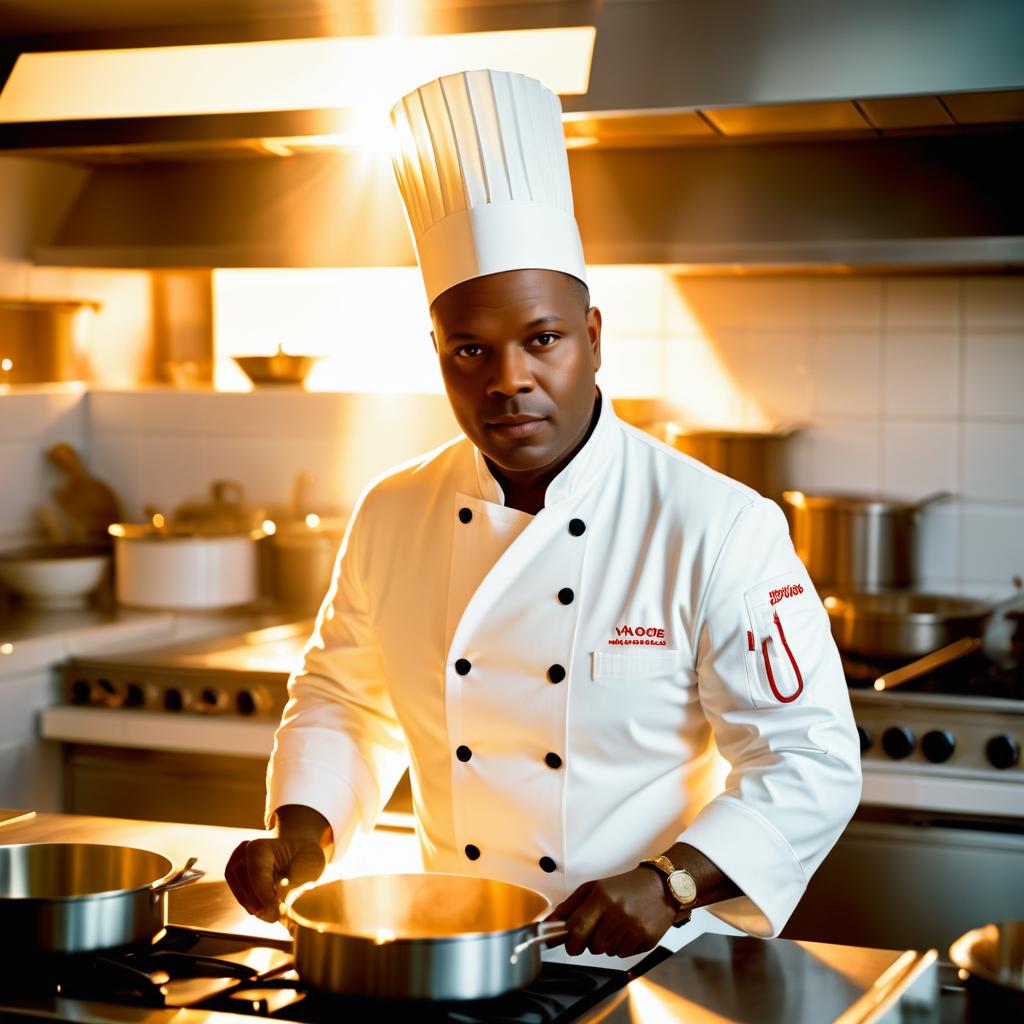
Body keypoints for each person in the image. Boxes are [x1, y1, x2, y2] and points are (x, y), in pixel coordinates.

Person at [225, 69, 862, 962]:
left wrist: (673, 882)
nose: (508, 380)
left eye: (543, 340)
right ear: (439, 356)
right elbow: (343, 702)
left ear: (593, 337)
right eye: (471, 351)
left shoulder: (716, 525)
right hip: (452, 948)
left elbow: (808, 764)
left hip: (655, 963)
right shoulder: (394, 509)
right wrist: (306, 830)